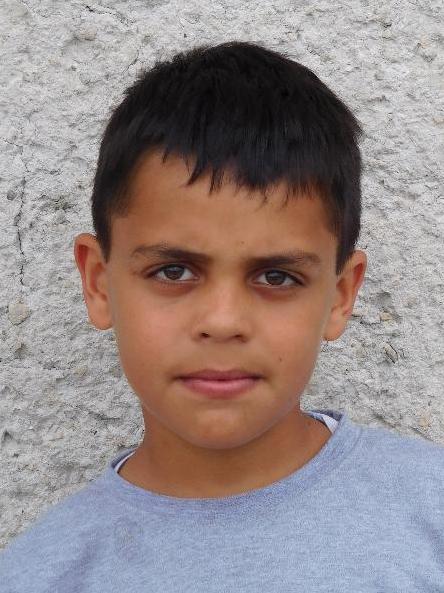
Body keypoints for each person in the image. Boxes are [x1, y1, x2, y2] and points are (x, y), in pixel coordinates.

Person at [1, 40, 442, 592]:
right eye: (173, 271)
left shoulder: (430, 513)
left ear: (340, 296)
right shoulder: (40, 576)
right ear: (98, 283)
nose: (223, 320)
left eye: (276, 277)